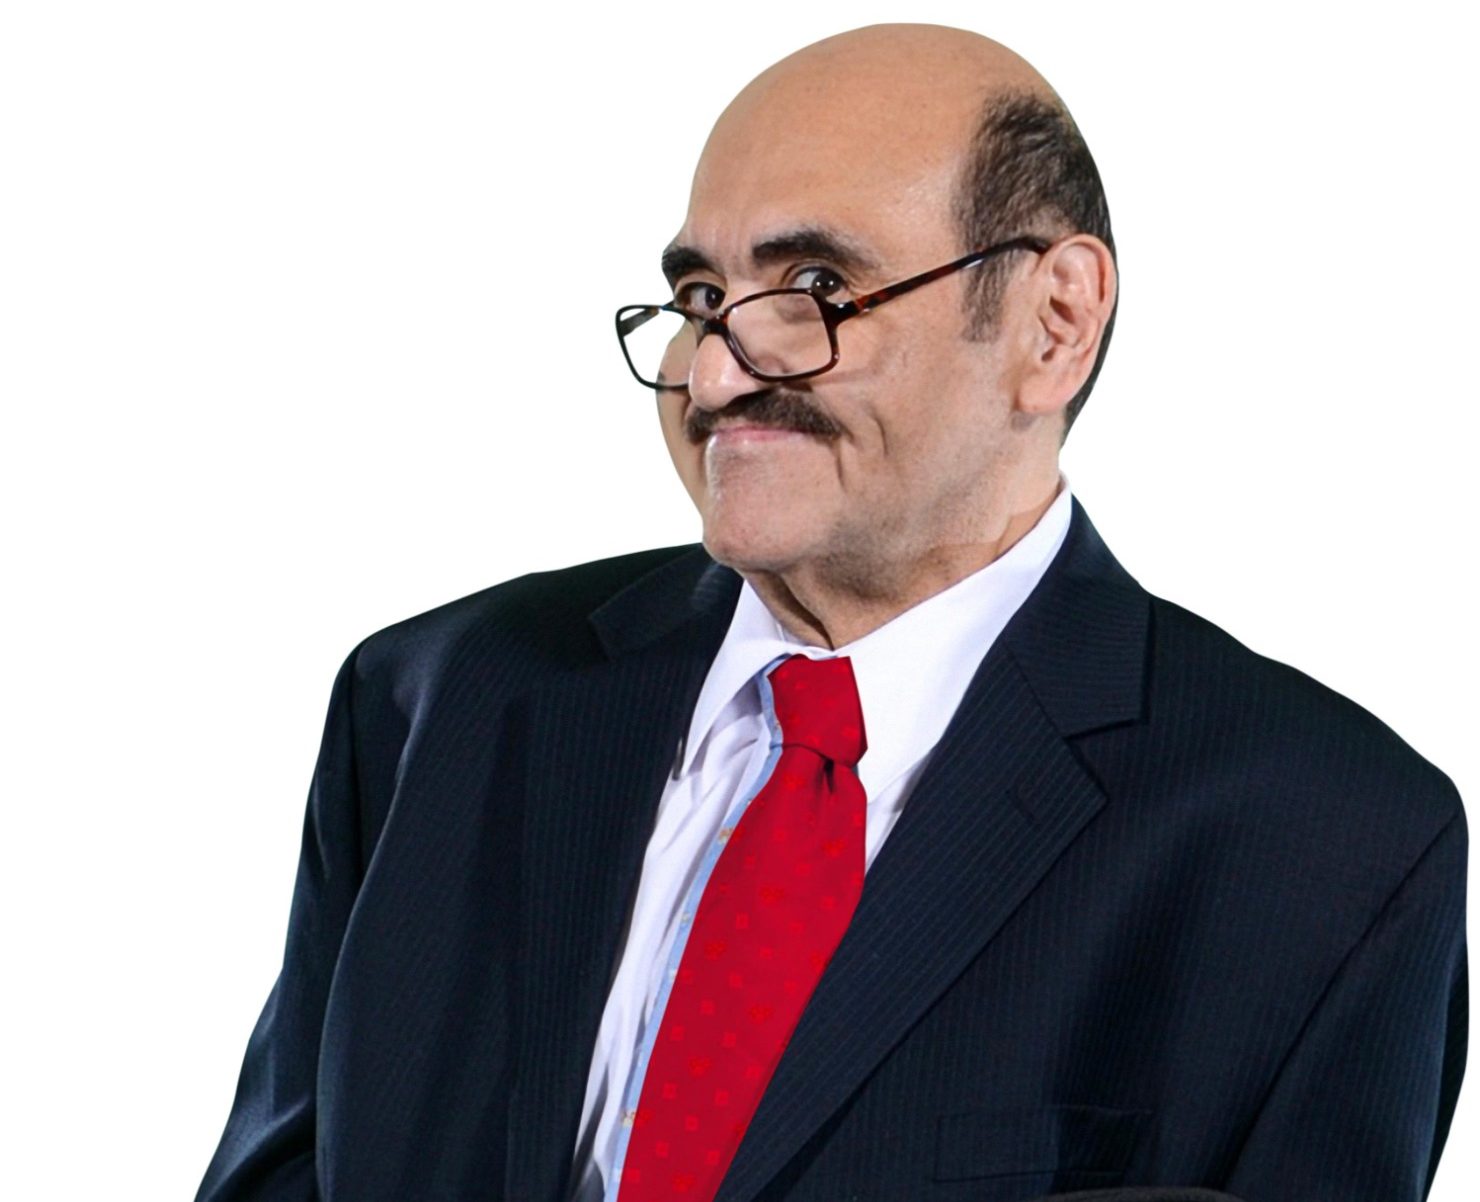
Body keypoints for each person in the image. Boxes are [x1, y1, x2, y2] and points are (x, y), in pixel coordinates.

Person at [195, 22, 1467, 1202]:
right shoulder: (437, 697)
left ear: (1053, 324)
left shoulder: (1327, 843)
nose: (713, 372)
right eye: (701, 296)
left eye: (814, 284)